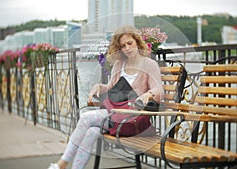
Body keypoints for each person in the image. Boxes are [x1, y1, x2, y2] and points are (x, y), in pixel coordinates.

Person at [48, 25, 164, 169]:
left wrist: (149, 93)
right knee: (91, 132)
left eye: (130, 43)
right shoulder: (118, 65)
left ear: (137, 42)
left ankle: (61, 164)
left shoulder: (149, 64)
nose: (127, 48)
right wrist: (99, 87)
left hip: (133, 118)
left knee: (86, 118)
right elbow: (111, 89)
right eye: (123, 46)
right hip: (116, 116)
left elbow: (159, 90)